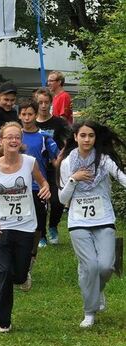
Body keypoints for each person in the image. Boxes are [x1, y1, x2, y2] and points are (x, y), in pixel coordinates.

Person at [0, 122, 50, 333]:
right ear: (1, 141)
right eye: (9, 137)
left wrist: (46, 190)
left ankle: (19, 276)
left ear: (20, 141)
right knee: (3, 271)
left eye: (17, 137)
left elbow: (42, 182)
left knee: (19, 275)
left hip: (26, 226)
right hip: (1, 226)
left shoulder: (30, 162)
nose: (13, 141)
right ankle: (4, 322)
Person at [59, 120, 126, 327]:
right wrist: (74, 179)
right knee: (90, 267)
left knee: (106, 266)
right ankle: (90, 312)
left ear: (96, 139)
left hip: (104, 218)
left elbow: (121, 178)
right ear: (76, 137)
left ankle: (97, 291)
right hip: (78, 220)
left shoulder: (104, 160)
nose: (87, 139)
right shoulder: (67, 163)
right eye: (83, 135)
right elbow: (62, 199)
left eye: (91, 136)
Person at [19, 99, 59, 288]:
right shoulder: (14, 135)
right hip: (17, 189)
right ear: (19, 115)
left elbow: (56, 161)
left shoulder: (44, 138)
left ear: (36, 115)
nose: (27, 118)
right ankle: (18, 264)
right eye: (24, 114)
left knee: (36, 227)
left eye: (30, 114)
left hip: (37, 189)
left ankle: (30, 260)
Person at [34, 87, 70, 245]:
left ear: (50, 103)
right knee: (40, 203)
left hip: (55, 168)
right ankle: (40, 234)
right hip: (37, 168)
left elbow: (68, 142)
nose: (43, 105)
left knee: (57, 201)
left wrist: (59, 155)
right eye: (40, 102)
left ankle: (53, 226)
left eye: (46, 102)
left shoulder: (59, 122)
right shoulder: (30, 121)